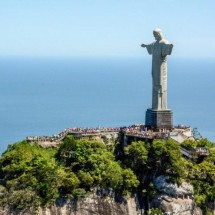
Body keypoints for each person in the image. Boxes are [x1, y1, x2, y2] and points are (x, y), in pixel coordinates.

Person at [141, 29, 173, 110]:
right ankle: (156, 106)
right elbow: (150, 46)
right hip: (155, 67)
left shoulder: (164, 42)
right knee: (155, 83)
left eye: (155, 34)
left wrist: (170, 47)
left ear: (159, 34)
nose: (154, 36)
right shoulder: (155, 43)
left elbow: (166, 51)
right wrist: (146, 46)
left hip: (161, 69)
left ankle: (161, 107)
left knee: (161, 85)